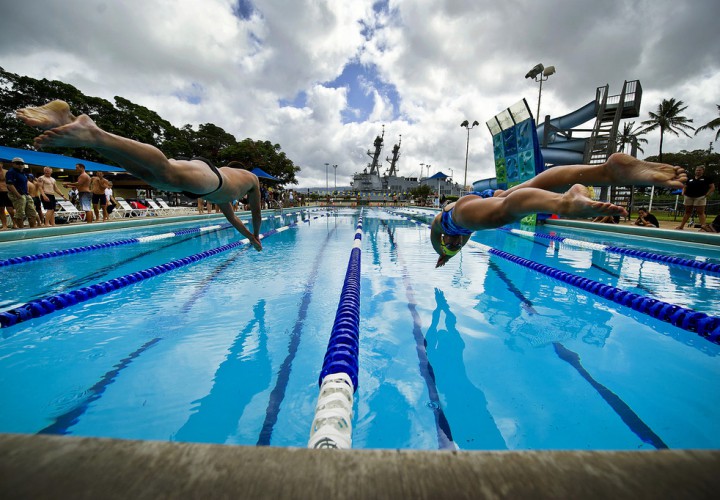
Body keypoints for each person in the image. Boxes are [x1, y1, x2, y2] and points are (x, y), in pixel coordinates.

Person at [17, 100, 262, 249]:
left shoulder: (228, 195)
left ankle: (71, 122)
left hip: (205, 177)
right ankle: (94, 133)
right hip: (210, 180)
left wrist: (250, 237)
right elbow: (255, 211)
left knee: (152, 174)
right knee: (164, 170)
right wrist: (258, 232)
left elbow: (233, 219)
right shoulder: (252, 180)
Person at [431, 153, 687, 268]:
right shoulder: (463, 234)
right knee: (534, 183)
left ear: (446, 238)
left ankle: (564, 202)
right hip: (484, 198)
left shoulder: (443, 224)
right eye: (455, 245)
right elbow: (459, 241)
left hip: (461, 211)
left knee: (505, 212)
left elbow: (437, 239)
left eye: (450, 244)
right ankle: (604, 171)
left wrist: (441, 252)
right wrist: (450, 254)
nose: (455, 243)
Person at [675, 165, 715, 231]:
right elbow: (685, 186)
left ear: (703, 171)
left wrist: (707, 194)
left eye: (699, 170)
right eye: (697, 170)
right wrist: (683, 193)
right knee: (687, 212)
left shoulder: (706, 178)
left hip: (700, 197)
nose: (698, 171)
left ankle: (703, 228)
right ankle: (681, 226)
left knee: (700, 212)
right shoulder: (690, 178)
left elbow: (712, 187)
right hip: (688, 196)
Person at [4, 157, 38, 229]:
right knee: (20, 213)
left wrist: (27, 193)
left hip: (25, 194)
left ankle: (33, 228)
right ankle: (21, 230)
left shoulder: (22, 173)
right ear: (13, 164)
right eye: (18, 163)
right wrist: (17, 195)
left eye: (22, 164)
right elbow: (9, 185)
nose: (20, 165)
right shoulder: (11, 172)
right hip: (17, 194)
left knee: (32, 212)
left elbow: (25, 184)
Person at [0, 162, 17, 229]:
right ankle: (4, 225)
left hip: (7, 192)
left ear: (2, 164)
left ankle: (15, 224)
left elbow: (12, 182)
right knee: (1, 209)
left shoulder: (7, 172)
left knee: (10, 209)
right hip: (0, 193)